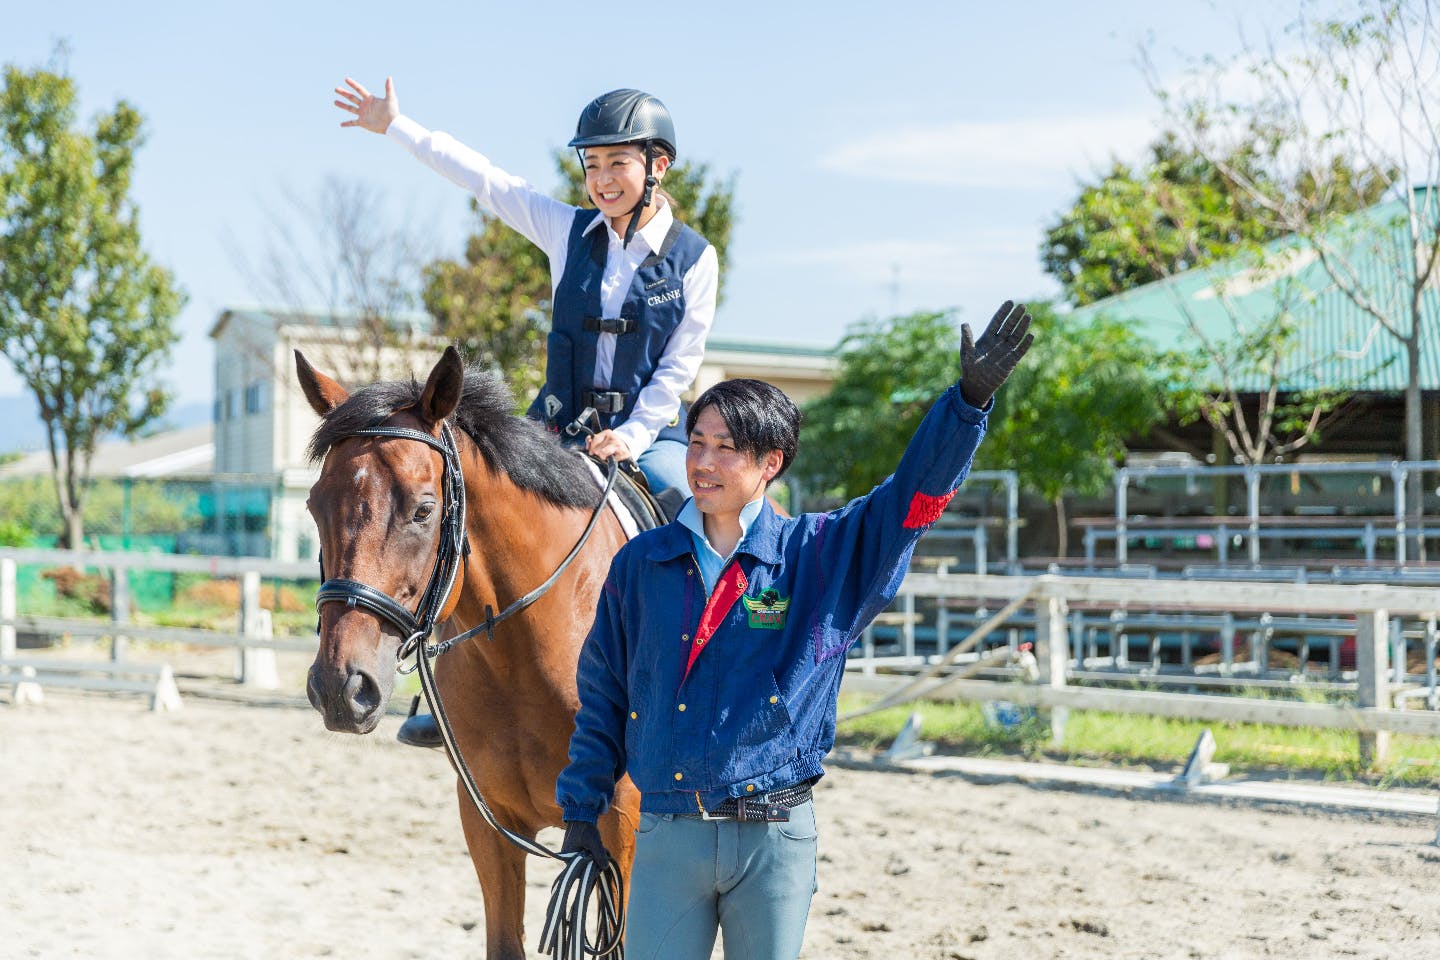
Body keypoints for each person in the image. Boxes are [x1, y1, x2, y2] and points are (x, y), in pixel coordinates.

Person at [555, 302, 1035, 959]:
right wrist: (582, 811)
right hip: (666, 832)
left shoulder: (823, 554)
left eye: (727, 447)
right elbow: (604, 694)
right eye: (697, 442)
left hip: (773, 838)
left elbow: (909, 500)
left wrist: (966, 404)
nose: (703, 461)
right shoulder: (642, 563)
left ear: (769, 463)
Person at [333, 78, 720, 748]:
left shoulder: (694, 259)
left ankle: (702, 682)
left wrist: (629, 435)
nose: (602, 179)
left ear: (658, 166)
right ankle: (437, 687)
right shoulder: (567, 230)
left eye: (617, 164)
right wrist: (397, 126)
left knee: (694, 501)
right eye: (592, 164)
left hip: (645, 432)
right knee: (466, 508)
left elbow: (679, 367)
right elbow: (485, 180)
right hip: (554, 426)